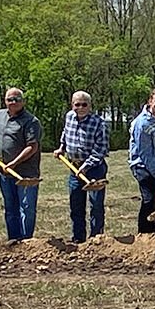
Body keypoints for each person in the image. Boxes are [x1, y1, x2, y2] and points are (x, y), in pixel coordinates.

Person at [0, 87, 42, 240]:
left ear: (23, 102)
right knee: (10, 208)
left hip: (26, 174)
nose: (13, 102)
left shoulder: (31, 121)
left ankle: (26, 240)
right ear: (5, 101)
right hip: (4, 172)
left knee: (27, 208)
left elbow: (32, 146)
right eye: (10, 99)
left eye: (17, 99)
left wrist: (14, 163)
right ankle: (13, 240)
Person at [56, 90, 109, 242]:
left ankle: (96, 238)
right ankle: (78, 239)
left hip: (94, 170)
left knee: (96, 206)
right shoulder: (69, 117)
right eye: (76, 104)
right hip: (74, 169)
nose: (80, 108)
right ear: (72, 105)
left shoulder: (99, 123)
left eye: (84, 104)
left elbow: (101, 149)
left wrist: (86, 166)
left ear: (90, 106)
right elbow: (66, 132)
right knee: (76, 205)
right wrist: (61, 147)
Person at [128, 87, 155, 234]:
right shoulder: (142, 124)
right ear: (150, 102)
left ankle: (154, 234)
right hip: (142, 165)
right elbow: (145, 153)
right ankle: (144, 235)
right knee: (149, 198)